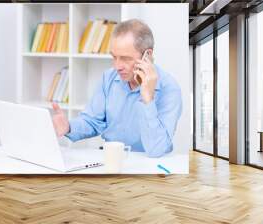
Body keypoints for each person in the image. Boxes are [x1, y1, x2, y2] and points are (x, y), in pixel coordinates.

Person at [52, 19, 182, 158]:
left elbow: (157, 149)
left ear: (147, 55)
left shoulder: (169, 88)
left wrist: (148, 99)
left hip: (149, 165)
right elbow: (92, 121)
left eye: (125, 58)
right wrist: (69, 127)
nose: (117, 66)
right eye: (114, 57)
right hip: (112, 159)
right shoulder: (108, 78)